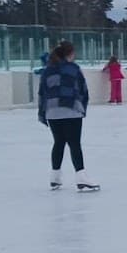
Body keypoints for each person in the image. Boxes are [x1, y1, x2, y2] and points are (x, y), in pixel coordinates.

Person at [38, 41, 98, 192]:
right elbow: (83, 90)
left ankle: (55, 177)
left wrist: (43, 112)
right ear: (70, 54)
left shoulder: (47, 70)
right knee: (74, 143)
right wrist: (81, 107)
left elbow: (42, 92)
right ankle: (81, 177)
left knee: (58, 142)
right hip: (71, 109)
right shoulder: (73, 68)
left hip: (52, 111)